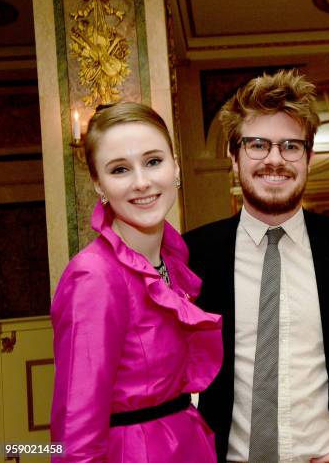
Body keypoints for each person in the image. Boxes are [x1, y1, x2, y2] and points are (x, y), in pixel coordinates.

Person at [184, 70, 329, 463]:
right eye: (257, 144)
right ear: (233, 156)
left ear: (308, 157)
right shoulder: (195, 253)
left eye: (291, 146)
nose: (275, 159)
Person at [50, 102, 223, 461]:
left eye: (153, 161)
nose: (141, 182)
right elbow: (75, 433)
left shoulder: (172, 261)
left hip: (185, 444)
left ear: (175, 166)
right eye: (120, 169)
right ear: (99, 183)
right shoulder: (94, 276)